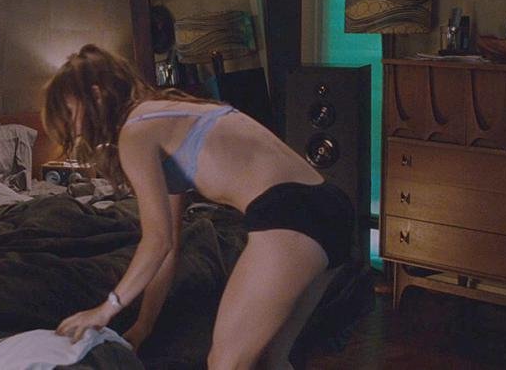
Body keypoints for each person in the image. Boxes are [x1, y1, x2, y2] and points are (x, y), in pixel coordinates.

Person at [46, 45, 355, 370]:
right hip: (329, 203)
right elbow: (168, 246)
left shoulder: (135, 132)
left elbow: (156, 242)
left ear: (96, 96)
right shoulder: (168, 115)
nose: (74, 130)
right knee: (271, 360)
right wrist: (144, 326)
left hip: (289, 213)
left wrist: (106, 308)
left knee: (224, 363)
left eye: (69, 114)